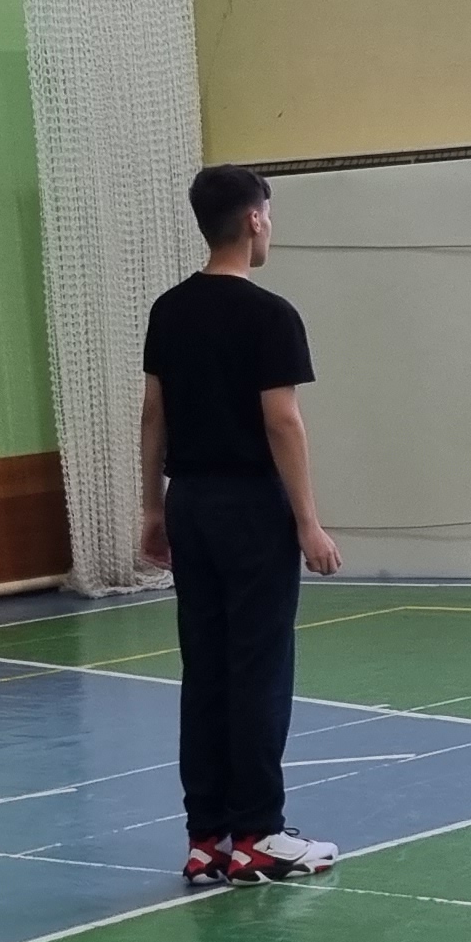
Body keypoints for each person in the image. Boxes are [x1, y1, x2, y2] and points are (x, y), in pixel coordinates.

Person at [137, 164, 343, 888]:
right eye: (269, 216)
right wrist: (308, 522)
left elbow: (154, 414)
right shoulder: (270, 315)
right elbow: (282, 420)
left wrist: (153, 508)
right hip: (251, 508)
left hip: (190, 503)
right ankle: (258, 833)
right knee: (258, 667)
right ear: (255, 219)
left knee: (206, 667)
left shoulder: (169, 309)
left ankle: (207, 837)